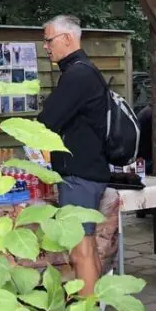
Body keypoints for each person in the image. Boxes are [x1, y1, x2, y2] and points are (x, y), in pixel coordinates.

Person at [36, 15, 109, 295]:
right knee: (87, 248)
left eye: (48, 40)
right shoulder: (82, 70)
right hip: (86, 170)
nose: (45, 46)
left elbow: (46, 121)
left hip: (80, 174)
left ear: (67, 39)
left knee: (80, 251)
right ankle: (93, 307)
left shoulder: (78, 74)